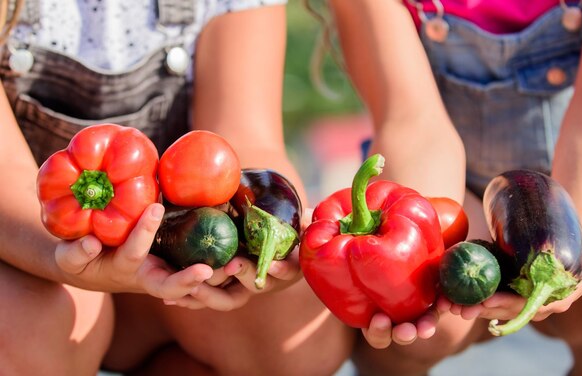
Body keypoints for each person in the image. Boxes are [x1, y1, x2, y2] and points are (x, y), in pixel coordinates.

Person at [0, 0, 353, 375]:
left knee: (298, 334)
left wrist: (269, 243)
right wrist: (62, 259)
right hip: (28, 241)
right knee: (25, 336)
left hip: (179, 254)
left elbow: (244, 143)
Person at [308, 0, 582, 375]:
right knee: (422, 324)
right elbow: (412, 121)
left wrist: (567, 244)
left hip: (581, 175)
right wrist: (414, 251)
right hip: (447, 189)